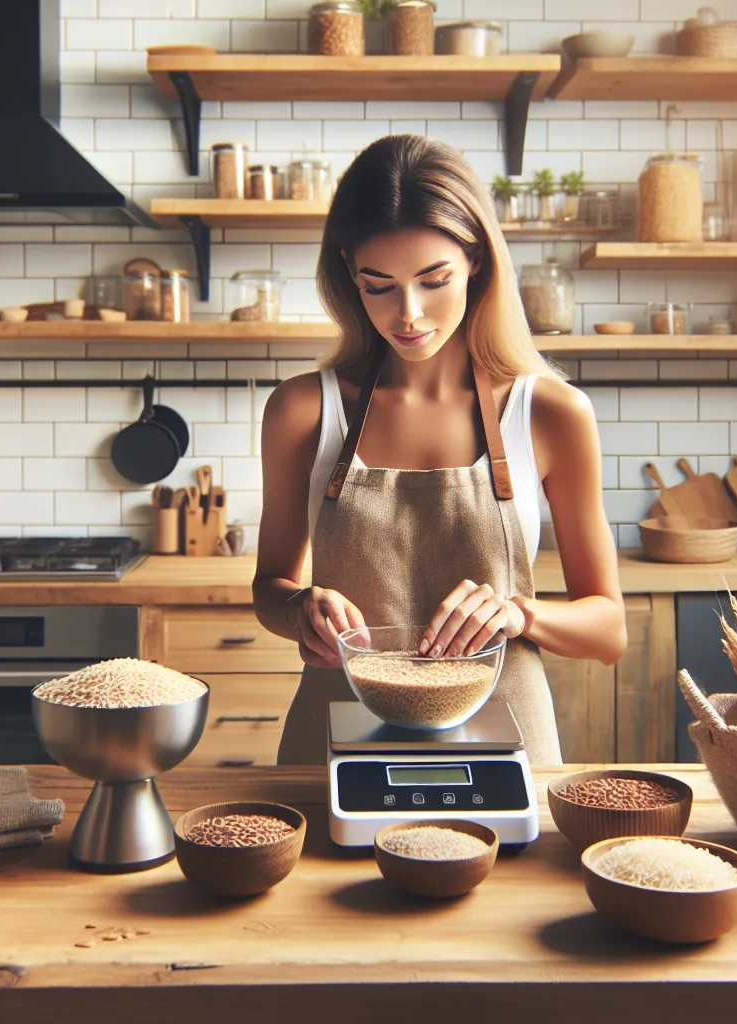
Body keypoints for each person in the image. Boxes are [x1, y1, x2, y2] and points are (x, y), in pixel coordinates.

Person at [252, 135, 628, 766]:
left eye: (434, 280)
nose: (408, 314)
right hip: (336, 739)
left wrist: (518, 615)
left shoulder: (552, 414)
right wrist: (299, 608)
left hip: (506, 742)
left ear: (476, 262)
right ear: (349, 272)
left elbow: (609, 631)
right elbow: (270, 587)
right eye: (379, 285)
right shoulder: (302, 411)